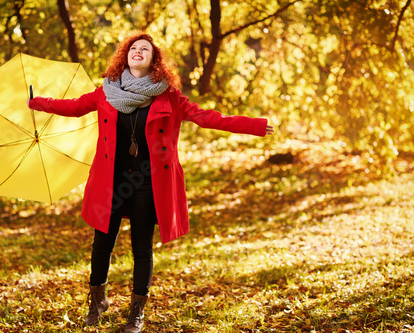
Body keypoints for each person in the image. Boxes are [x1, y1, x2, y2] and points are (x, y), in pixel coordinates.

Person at [28, 31, 274, 333]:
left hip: (147, 182)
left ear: (154, 60)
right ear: (125, 55)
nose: (138, 51)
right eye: (133, 48)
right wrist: (37, 102)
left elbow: (208, 117)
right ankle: (98, 301)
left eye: (145, 49)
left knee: (141, 246)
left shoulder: (168, 95)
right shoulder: (105, 91)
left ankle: (136, 314)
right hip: (112, 179)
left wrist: (256, 126)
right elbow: (73, 107)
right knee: (101, 243)